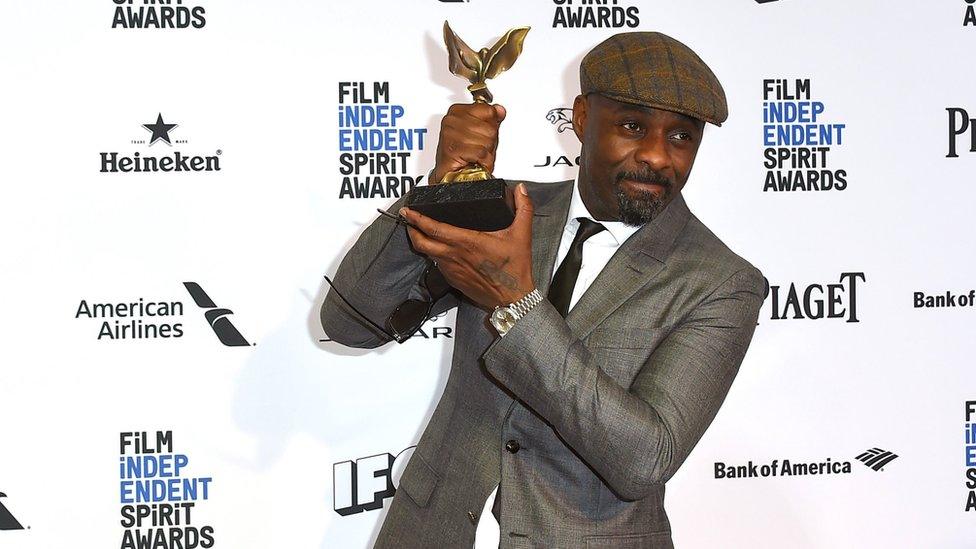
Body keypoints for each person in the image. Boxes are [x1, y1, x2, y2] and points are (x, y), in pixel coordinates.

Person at [321, 31, 765, 549]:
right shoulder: (505, 210)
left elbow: (644, 460)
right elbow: (349, 324)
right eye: (632, 126)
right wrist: (441, 185)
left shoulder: (719, 281)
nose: (658, 156)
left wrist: (517, 304)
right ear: (580, 119)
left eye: (681, 137)